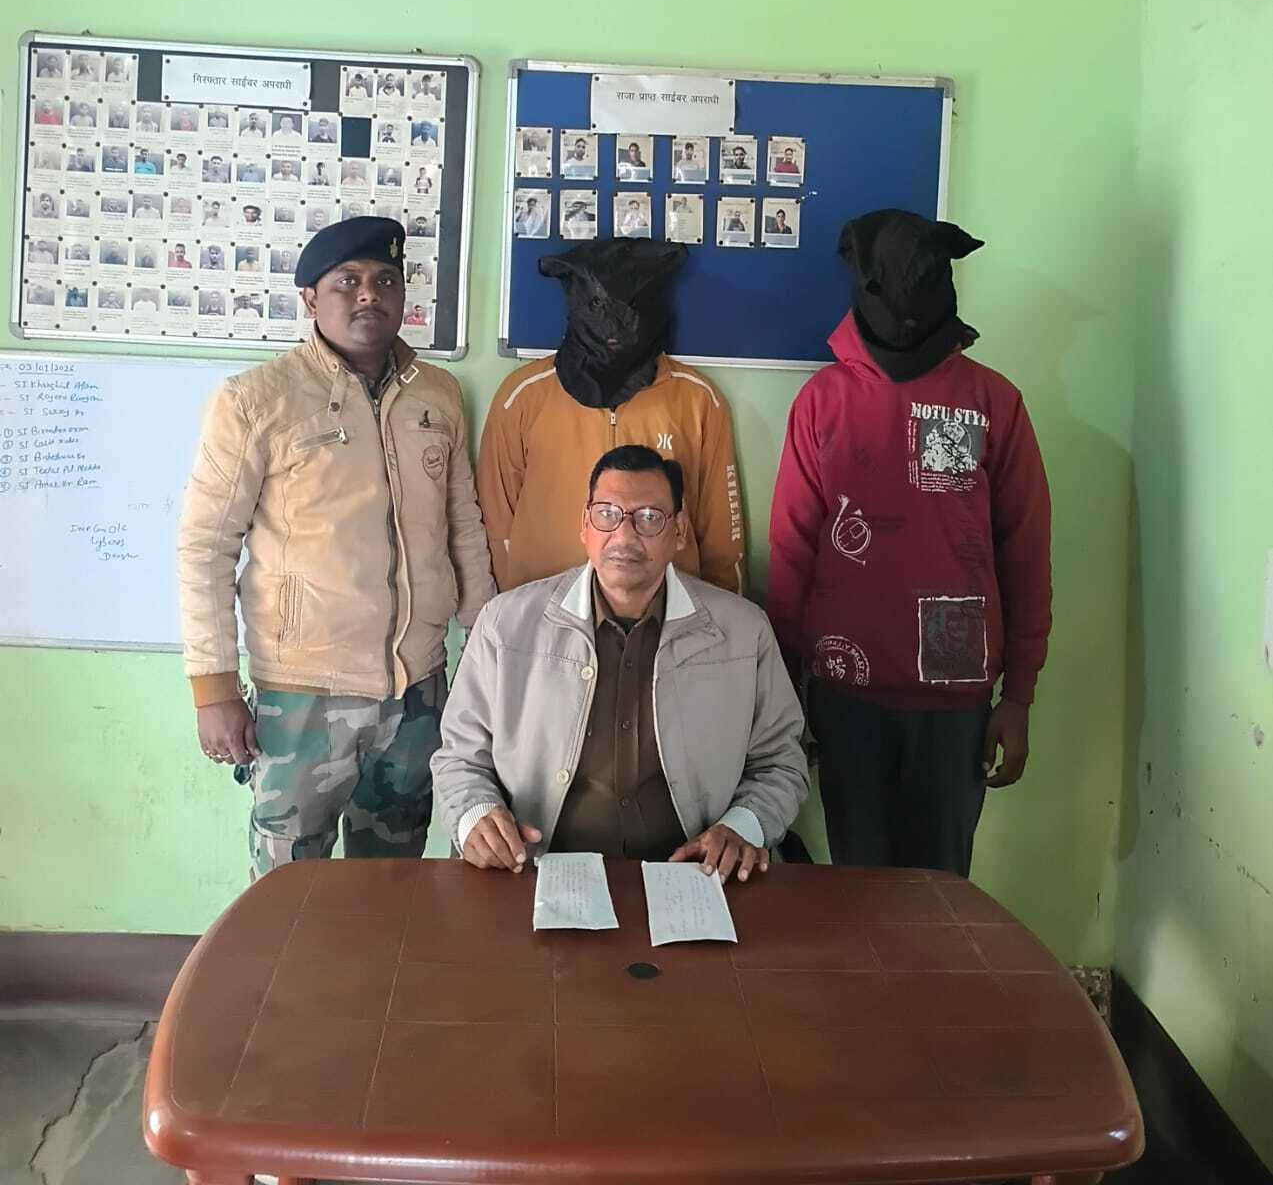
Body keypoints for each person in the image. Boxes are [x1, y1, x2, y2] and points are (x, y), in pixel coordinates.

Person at [178, 216, 495, 878]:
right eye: (346, 281)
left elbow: (463, 527)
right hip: (303, 695)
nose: (368, 295)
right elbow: (206, 547)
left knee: (393, 880)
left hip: (418, 691)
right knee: (287, 888)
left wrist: (485, 654)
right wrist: (213, 688)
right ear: (310, 299)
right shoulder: (256, 401)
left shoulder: (437, 395)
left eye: (385, 280)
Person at [767, 209, 1052, 877]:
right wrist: (781, 696)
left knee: (940, 892)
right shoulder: (823, 402)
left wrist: (1018, 696)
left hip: (956, 702)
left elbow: (1025, 554)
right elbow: (790, 552)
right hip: (845, 694)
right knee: (859, 888)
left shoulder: (991, 401)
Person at [434, 444, 807, 876]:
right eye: (607, 514)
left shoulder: (743, 631)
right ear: (585, 525)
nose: (625, 536)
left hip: (692, 875)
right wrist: (476, 816)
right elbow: (459, 757)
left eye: (649, 517)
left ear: (679, 530)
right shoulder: (506, 624)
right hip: (539, 870)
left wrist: (742, 827)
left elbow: (781, 761)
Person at [478, 239, 746, 594]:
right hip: (543, 608)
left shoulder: (698, 400)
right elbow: (495, 524)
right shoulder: (522, 397)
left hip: (664, 610)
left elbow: (722, 539)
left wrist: (719, 618)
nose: (614, 329)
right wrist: (506, 609)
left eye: (630, 309)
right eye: (598, 307)